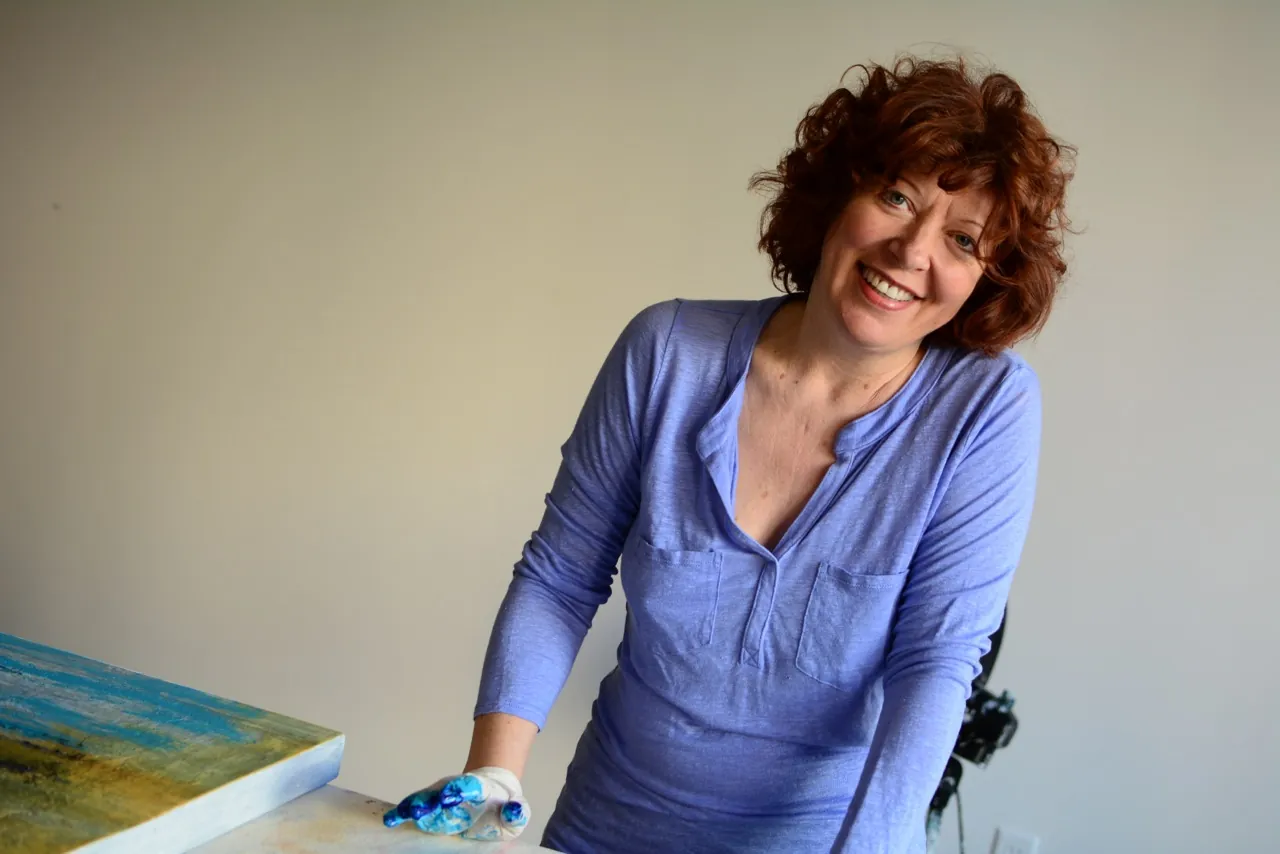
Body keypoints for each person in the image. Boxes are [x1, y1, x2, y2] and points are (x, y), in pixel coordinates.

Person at [383, 54, 1074, 853]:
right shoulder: (666, 352)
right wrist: (496, 776)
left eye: (962, 239)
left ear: (986, 281)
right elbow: (560, 578)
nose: (913, 250)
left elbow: (937, 660)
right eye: (895, 197)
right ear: (837, 195)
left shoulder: (986, 409)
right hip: (607, 826)